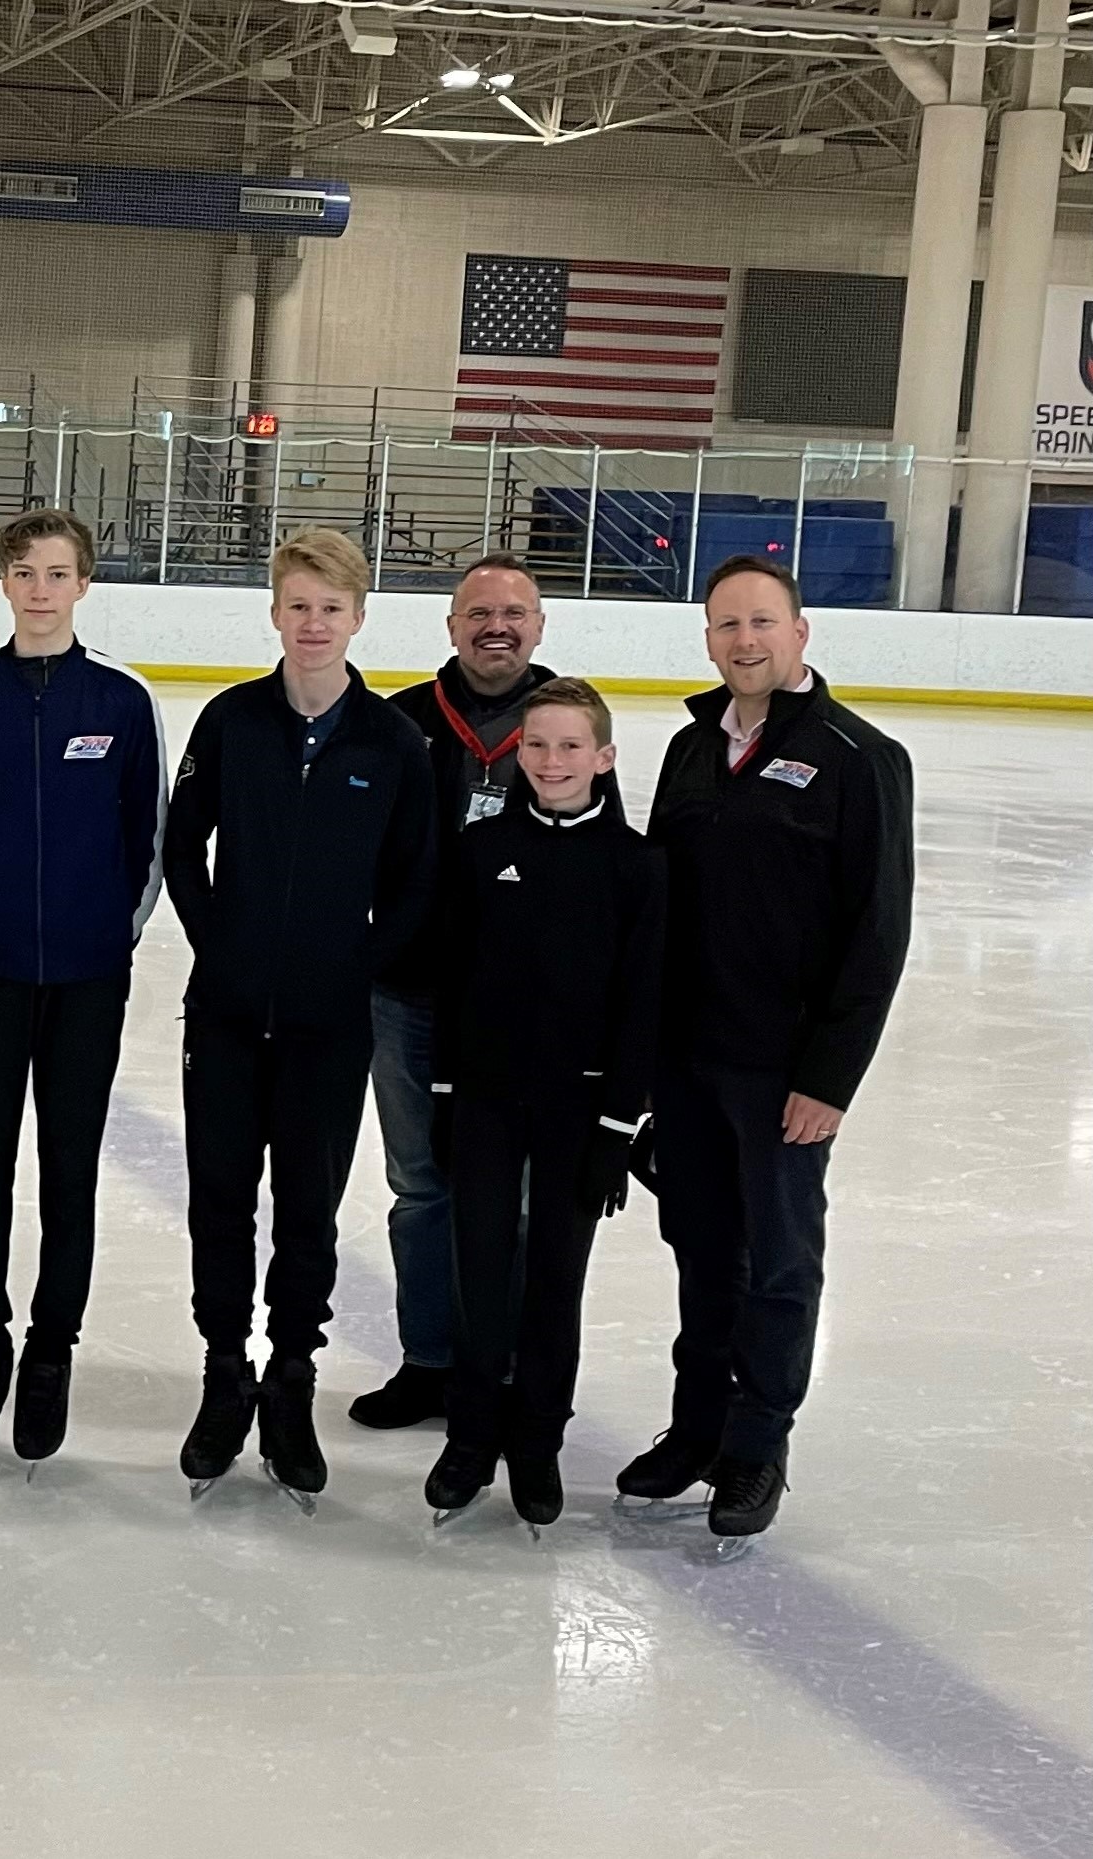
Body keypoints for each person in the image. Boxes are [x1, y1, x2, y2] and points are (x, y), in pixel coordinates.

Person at [625, 556, 913, 1546]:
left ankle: (756, 1444)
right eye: (724, 626)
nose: (742, 641)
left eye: (760, 622)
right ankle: (698, 1424)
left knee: (779, 1262)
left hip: (782, 1071)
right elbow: (658, 908)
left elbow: (875, 933)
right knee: (702, 1251)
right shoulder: (691, 749)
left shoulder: (856, 756)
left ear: (800, 632)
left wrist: (828, 1078)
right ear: (707, 639)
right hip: (688, 1062)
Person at [162, 526, 434, 1510]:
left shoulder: (391, 743)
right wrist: (216, 942)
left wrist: (356, 964)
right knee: (220, 1197)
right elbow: (181, 844)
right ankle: (224, 1370)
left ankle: (289, 1378)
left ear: (357, 617)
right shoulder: (231, 721)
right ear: (273, 611)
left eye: (330, 607)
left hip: (329, 1019)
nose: (312, 623)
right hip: (227, 1012)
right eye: (297, 604)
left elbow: (414, 881)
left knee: (307, 1209)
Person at [0, 507, 164, 1472]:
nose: (40, 588)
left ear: (83, 584)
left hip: (88, 978)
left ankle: (51, 1349)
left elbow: (148, 837)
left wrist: (112, 933)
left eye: (58, 573)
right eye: (25, 572)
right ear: (4, 581)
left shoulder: (121, 699)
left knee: (69, 1171)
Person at [421, 678, 662, 1531]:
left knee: (555, 1277)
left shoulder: (636, 866)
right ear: (516, 753)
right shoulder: (481, 849)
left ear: (603, 758)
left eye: (569, 747)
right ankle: (471, 1431)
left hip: (578, 1112)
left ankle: (537, 1440)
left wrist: (616, 1125)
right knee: (479, 1266)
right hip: (484, 1098)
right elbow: (453, 983)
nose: (551, 762)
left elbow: (642, 1008)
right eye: (536, 746)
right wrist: (445, 1095)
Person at [352, 554, 558, 1433]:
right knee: (421, 1185)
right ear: (451, 625)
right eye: (478, 611)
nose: (496, 625)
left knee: (510, 1194)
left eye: (514, 611)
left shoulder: (565, 724)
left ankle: (503, 1366)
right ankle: (429, 1359)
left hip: (521, 1011)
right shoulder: (402, 724)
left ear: (539, 625)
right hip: (409, 997)